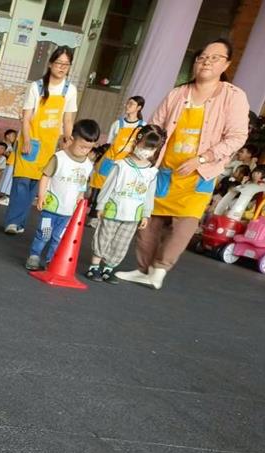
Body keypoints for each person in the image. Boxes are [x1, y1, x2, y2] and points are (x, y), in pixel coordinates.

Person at [118, 38, 249, 290]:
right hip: (165, 171)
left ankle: (159, 271)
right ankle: (143, 269)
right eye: (202, 57)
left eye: (214, 58)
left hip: (200, 173)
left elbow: (237, 136)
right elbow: (154, 127)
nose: (206, 62)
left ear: (226, 64)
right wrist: (142, 157)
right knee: (148, 221)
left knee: (183, 226)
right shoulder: (177, 94)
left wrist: (202, 158)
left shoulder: (233, 97)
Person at [4, 46, 78, 234]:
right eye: (59, 63)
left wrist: (68, 140)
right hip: (31, 140)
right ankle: (13, 223)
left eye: (66, 64)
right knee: (21, 182)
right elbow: (26, 117)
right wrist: (27, 140)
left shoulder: (70, 90)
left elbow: (68, 120)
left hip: (49, 146)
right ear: (50, 64)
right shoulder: (36, 87)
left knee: (34, 185)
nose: (62, 67)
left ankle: (20, 223)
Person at [86, 125, 165, 282]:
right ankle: (94, 266)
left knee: (121, 243)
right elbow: (108, 186)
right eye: (145, 146)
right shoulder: (121, 165)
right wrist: (101, 205)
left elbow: (149, 195)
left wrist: (146, 214)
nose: (146, 151)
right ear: (136, 142)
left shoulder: (151, 172)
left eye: (151, 148)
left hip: (133, 215)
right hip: (113, 210)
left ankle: (108, 268)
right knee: (103, 237)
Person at [25, 119, 98, 271]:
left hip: (68, 211)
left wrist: (80, 198)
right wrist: (41, 195)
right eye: (82, 146)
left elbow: (82, 184)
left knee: (59, 237)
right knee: (44, 233)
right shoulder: (59, 158)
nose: (85, 150)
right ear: (72, 139)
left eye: (89, 148)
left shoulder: (87, 165)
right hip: (51, 207)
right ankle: (34, 256)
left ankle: (52, 260)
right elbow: (45, 176)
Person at [89, 95, 145, 209]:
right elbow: (110, 143)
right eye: (127, 103)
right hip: (111, 160)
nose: (127, 106)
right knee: (100, 184)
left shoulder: (143, 126)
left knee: (119, 188)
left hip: (128, 163)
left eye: (131, 104)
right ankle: (94, 210)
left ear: (139, 108)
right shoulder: (117, 124)